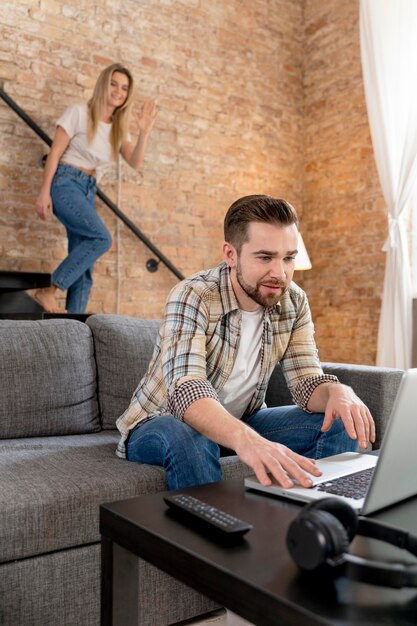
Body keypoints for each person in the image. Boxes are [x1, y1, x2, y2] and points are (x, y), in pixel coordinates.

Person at [117, 194, 375, 490]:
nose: (280, 273)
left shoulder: (294, 300)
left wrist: (336, 392)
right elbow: (187, 390)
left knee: (339, 419)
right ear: (231, 254)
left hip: (245, 418)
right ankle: (212, 533)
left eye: (288, 258)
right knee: (188, 435)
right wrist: (247, 441)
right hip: (160, 422)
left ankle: (311, 520)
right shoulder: (193, 294)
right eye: (265, 257)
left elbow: (306, 384)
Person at [34, 63, 158, 313]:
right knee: (101, 238)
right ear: (103, 84)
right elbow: (55, 153)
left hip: (89, 190)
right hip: (66, 183)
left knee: (84, 269)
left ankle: (72, 325)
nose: (118, 91)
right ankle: (49, 289)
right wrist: (44, 191)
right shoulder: (79, 111)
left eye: (124, 88)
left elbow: (134, 162)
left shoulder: (118, 127)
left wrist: (144, 132)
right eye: (114, 84)